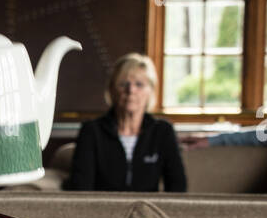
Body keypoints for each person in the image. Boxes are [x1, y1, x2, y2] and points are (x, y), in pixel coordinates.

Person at [63, 53, 186, 192]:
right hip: (102, 209)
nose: (131, 90)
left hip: (148, 212)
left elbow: (178, 187)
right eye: (123, 84)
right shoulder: (91, 131)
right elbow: (81, 187)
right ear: (111, 90)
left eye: (139, 84)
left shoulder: (163, 131)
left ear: (151, 91)